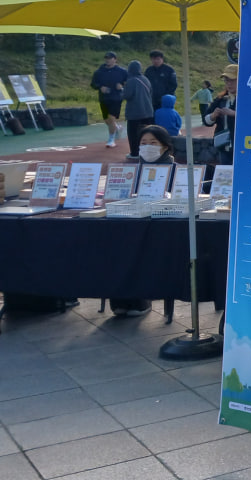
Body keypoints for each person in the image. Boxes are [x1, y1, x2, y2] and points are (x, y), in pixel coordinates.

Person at [109, 125, 176, 317]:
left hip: (162, 227)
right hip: (134, 221)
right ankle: (123, 299)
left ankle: (141, 300)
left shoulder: (176, 170)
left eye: (153, 143)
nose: (147, 147)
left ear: (165, 146)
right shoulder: (133, 171)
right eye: (143, 143)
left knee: (140, 251)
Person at [90, 51, 128, 148]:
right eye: (106, 58)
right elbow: (93, 84)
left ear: (115, 59)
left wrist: (122, 86)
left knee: (111, 118)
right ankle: (117, 127)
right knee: (107, 120)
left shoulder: (122, 71)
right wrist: (100, 87)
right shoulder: (99, 72)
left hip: (116, 98)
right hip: (104, 98)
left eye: (110, 58)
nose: (108, 60)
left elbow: (128, 81)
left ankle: (111, 139)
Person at [203, 64, 238, 165]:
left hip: (242, 147)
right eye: (226, 80)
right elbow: (206, 120)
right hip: (223, 146)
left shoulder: (248, 98)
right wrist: (213, 116)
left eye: (232, 80)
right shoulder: (220, 99)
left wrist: (235, 114)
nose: (229, 84)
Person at [122, 60, 154, 160]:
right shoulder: (145, 79)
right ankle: (148, 153)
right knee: (147, 133)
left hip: (134, 112)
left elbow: (126, 95)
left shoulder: (131, 80)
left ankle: (135, 153)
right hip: (148, 110)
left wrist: (121, 89)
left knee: (133, 134)